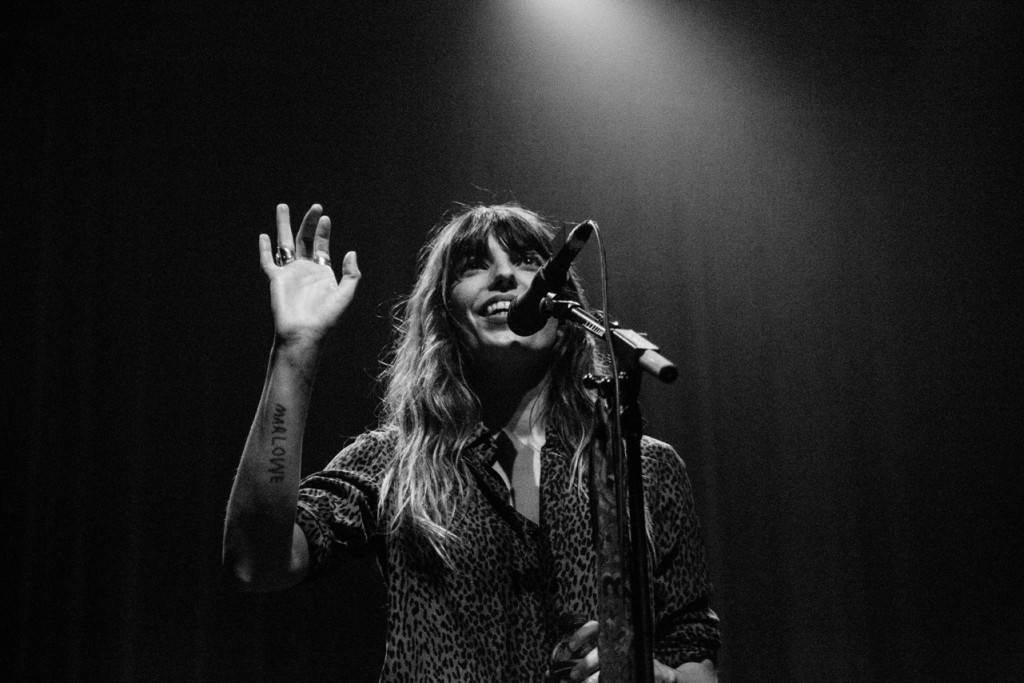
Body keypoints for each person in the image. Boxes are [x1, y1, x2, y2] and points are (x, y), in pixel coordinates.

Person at [223, 202, 721, 682]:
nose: (505, 276)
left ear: (566, 314)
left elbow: (693, 650)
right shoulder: (394, 461)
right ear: (445, 319)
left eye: (528, 261)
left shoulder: (642, 466)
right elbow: (256, 563)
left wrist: (654, 677)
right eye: (474, 265)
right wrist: (296, 348)